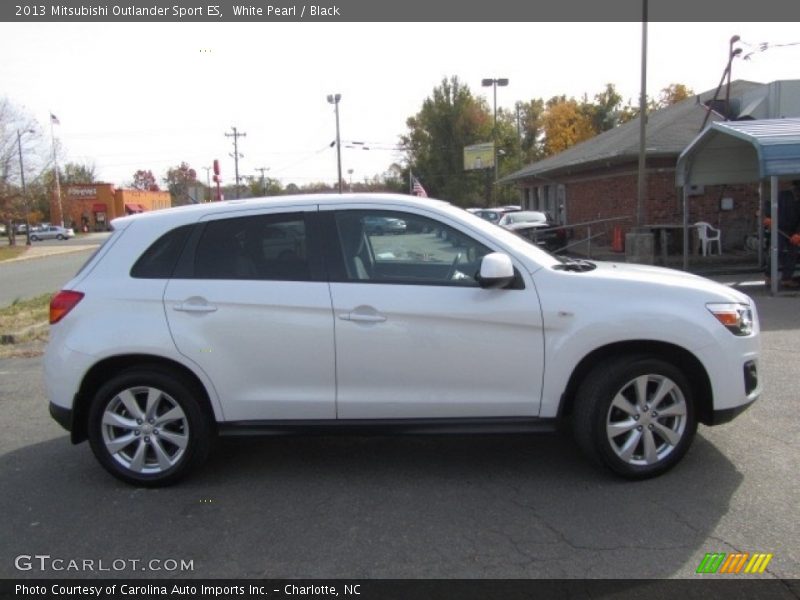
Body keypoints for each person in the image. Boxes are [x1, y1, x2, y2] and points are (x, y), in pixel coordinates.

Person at [764, 179, 800, 288]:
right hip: (778, 228)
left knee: (793, 253)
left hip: (793, 230)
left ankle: (786, 278)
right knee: (776, 251)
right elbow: (768, 204)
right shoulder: (782, 195)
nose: (797, 192)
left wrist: (798, 234)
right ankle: (768, 277)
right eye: (796, 189)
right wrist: (769, 217)